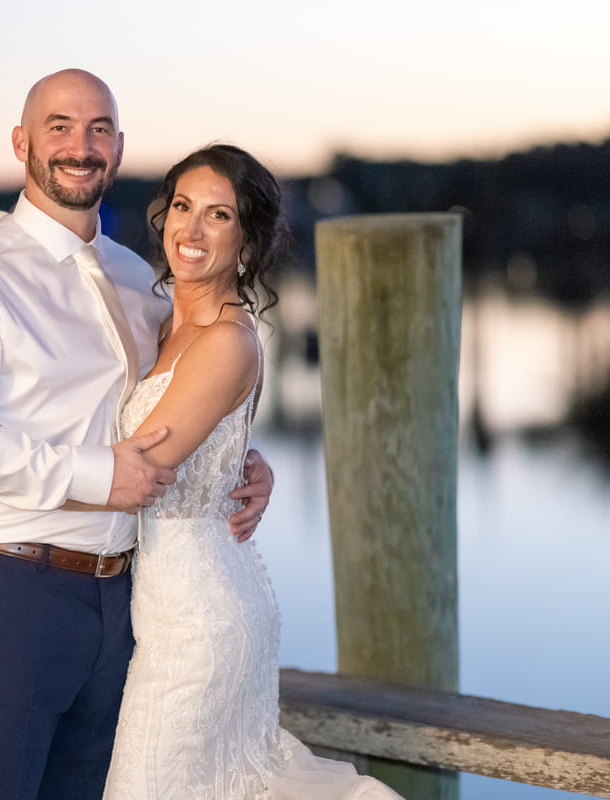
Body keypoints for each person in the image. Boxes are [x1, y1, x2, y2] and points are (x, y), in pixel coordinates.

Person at [0, 69, 274, 800]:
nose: (81, 145)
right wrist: (96, 477)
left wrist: (244, 463)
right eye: (60, 127)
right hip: (16, 586)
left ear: (119, 146)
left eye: (99, 128)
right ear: (22, 143)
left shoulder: (140, 280)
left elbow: (191, 397)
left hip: (129, 598)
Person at [96, 144, 404, 799]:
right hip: (173, 606)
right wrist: (248, 462)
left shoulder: (226, 342)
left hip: (199, 623)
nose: (191, 229)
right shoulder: (165, 325)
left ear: (248, 241)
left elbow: (140, 471)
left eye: (218, 215)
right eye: (182, 207)